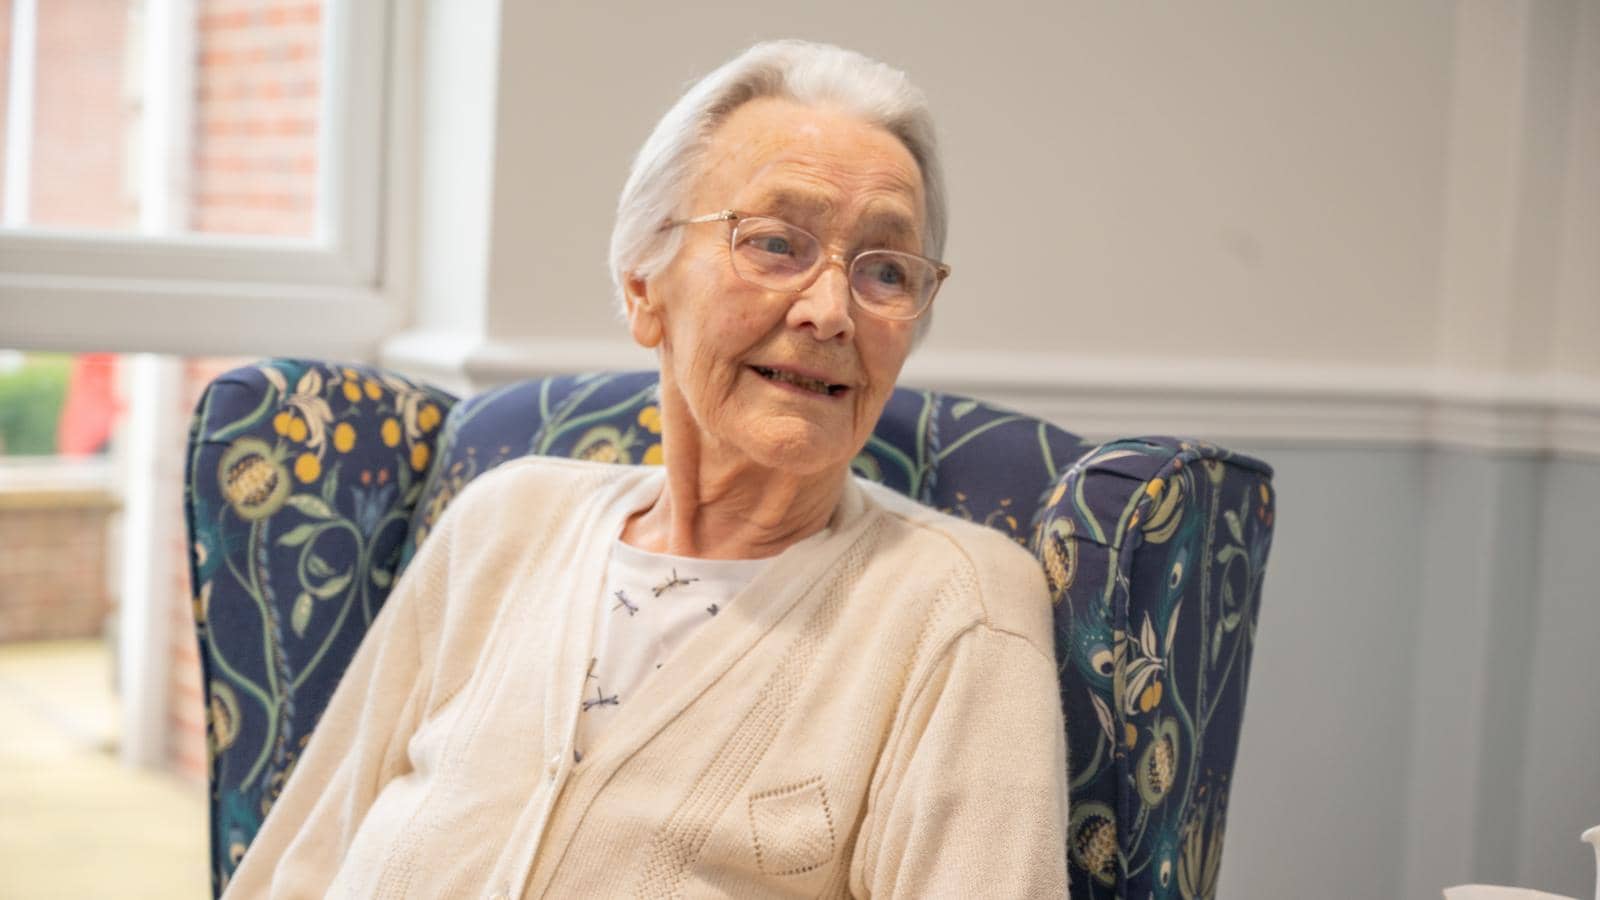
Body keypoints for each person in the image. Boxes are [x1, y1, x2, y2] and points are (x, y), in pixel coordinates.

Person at [224, 39, 1068, 898]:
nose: (830, 312)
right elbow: (302, 859)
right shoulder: (501, 523)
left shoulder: (956, 609)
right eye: (776, 244)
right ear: (642, 288)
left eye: (885, 271)